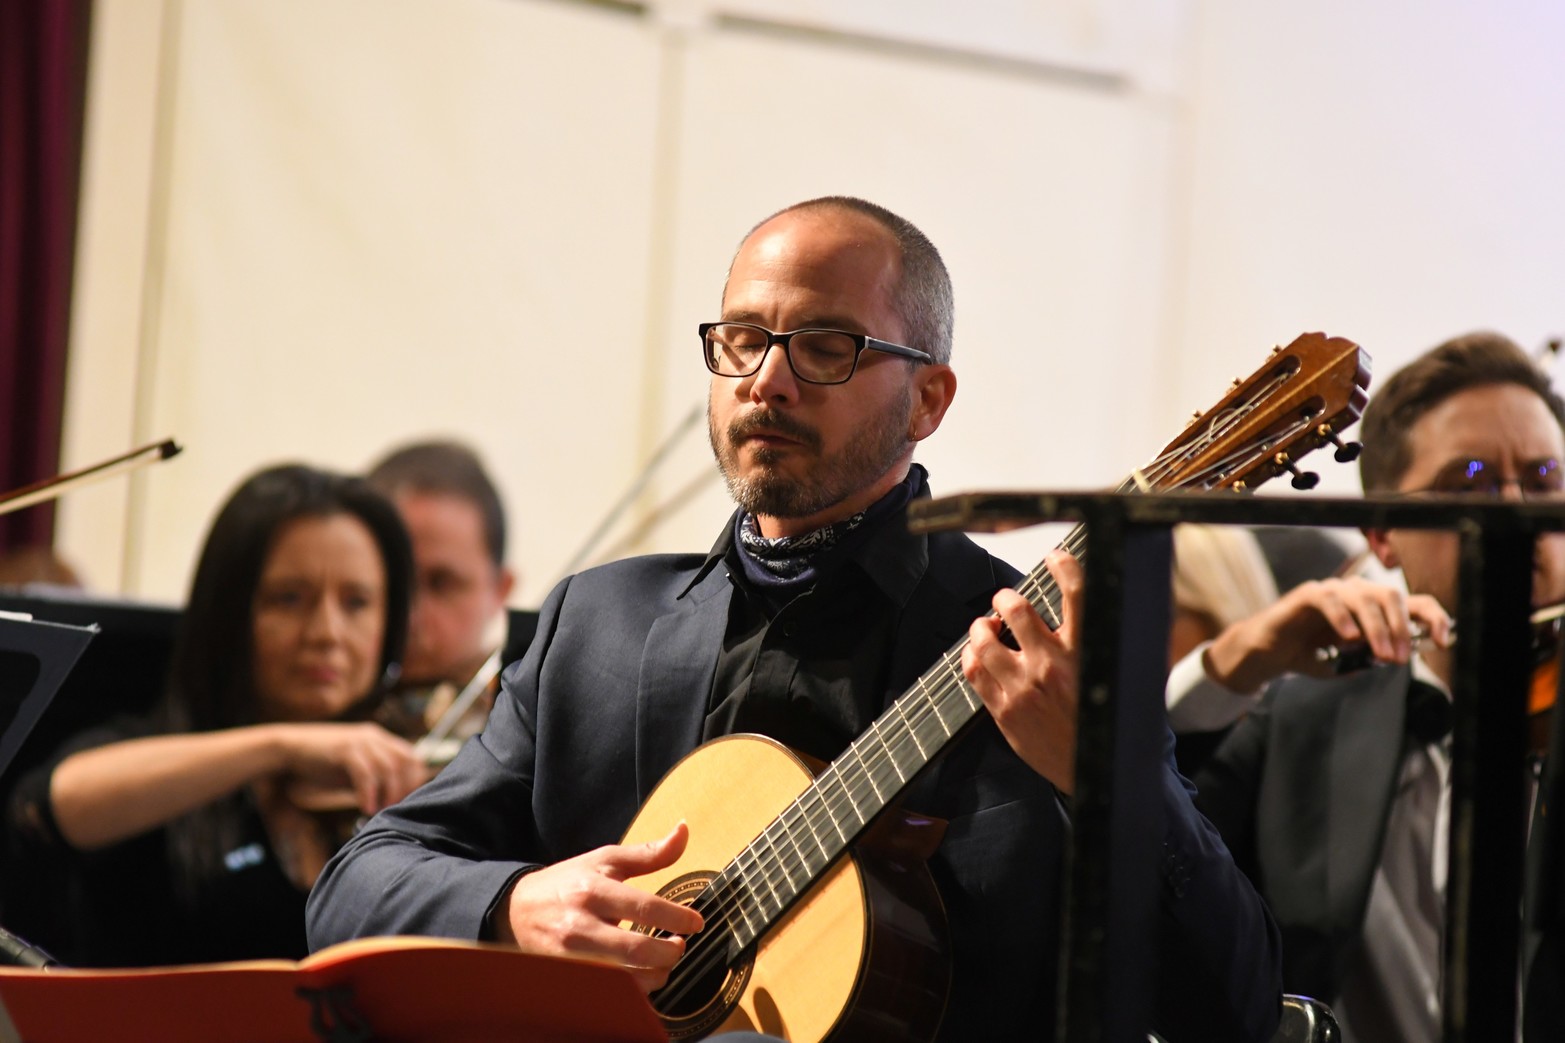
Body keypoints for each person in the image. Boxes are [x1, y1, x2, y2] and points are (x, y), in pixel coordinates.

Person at [307, 196, 1281, 1040]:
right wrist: (517, 903)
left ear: (926, 398)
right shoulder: (596, 624)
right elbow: (355, 885)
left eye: (825, 346)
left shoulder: (1036, 655)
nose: (766, 379)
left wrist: (1109, 780)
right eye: (741, 339)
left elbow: (1231, 1009)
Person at [1179, 331, 1565, 1041]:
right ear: (1382, 533)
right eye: (1470, 481)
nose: (1518, 517)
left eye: (1543, 481)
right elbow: (1131, 837)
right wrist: (1231, 662)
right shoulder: (1300, 722)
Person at [3, 464, 428, 966]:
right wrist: (281, 746)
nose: (327, 633)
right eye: (288, 599)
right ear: (229, 611)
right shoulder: (155, 747)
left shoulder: (406, 779)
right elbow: (51, 806)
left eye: (357, 602)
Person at [365, 440, 515, 747]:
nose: (410, 616)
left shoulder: (524, 721)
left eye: (441, 583)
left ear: (500, 590)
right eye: (390, 580)